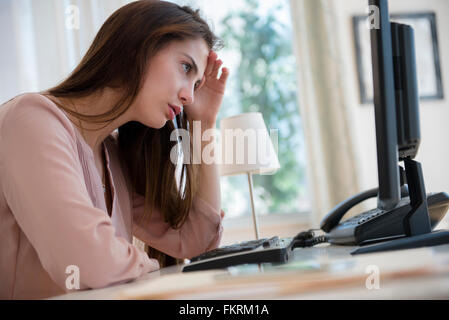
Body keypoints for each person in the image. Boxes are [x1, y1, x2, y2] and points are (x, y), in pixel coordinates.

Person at [0, 0, 228, 299]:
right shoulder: (31, 119)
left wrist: (204, 125)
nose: (188, 95)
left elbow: (197, 240)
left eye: (196, 83)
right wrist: (154, 271)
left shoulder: (112, 155)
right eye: (185, 67)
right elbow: (85, 263)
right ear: (137, 48)